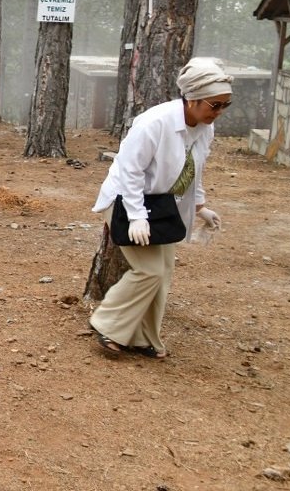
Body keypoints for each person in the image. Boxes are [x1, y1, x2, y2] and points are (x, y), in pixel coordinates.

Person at [89, 57, 233, 360]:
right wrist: (136, 216)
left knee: (163, 272)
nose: (219, 113)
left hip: (160, 205)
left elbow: (194, 170)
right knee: (149, 270)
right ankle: (108, 325)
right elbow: (129, 170)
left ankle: (142, 338)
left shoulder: (204, 128)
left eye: (224, 106)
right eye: (214, 105)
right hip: (125, 201)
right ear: (192, 100)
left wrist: (201, 206)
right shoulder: (155, 122)